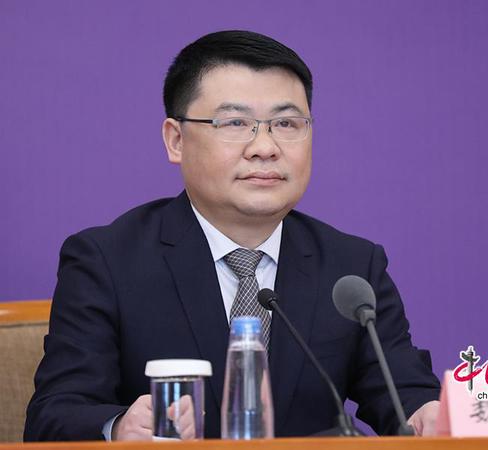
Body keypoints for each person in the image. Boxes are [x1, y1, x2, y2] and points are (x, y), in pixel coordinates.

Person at [24, 30, 440, 441]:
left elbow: (406, 394)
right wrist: (118, 428)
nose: (265, 147)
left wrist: (429, 415)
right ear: (176, 140)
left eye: (286, 123)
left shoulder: (351, 268)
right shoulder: (107, 261)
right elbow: (55, 416)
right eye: (236, 122)